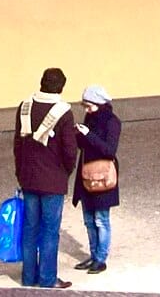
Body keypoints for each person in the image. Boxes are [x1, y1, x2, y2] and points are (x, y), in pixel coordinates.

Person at [13, 67, 78, 290]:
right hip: (53, 180)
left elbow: (17, 144)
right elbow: (69, 150)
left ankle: (28, 276)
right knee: (50, 231)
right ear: (61, 87)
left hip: (28, 177)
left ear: (41, 82)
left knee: (30, 228)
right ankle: (48, 279)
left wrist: (20, 172)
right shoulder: (64, 112)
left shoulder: (24, 106)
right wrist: (66, 172)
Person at [71, 84, 121, 274]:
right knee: (89, 220)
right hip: (86, 176)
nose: (86, 110)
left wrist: (88, 134)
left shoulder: (112, 122)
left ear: (99, 103)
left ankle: (101, 259)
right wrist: (78, 134)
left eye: (89, 106)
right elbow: (83, 145)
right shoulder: (90, 119)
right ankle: (93, 256)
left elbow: (109, 150)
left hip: (103, 178)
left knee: (101, 220)